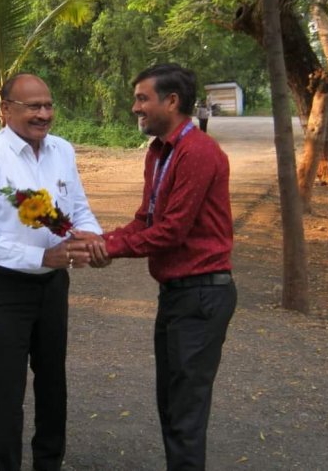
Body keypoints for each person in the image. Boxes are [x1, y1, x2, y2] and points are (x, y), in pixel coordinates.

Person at [84, 63, 237, 470]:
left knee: (185, 412)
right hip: (176, 296)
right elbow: (146, 219)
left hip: (202, 295)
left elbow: (171, 232)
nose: (135, 107)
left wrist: (109, 251)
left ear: (171, 101)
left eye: (142, 98)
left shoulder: (198, 151)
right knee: (170, 403)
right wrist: (101, 241)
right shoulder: (158, 152)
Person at [0, 73, 101, 471]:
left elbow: (78, 208)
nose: (44, 114)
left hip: (53, 288)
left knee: (52, 381)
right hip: (4, 290)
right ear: (6, 110)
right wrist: (41, 258)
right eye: (33, 107)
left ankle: (48, 462)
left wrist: (92, 235)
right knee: (8, 390)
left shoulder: (62, 151)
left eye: (48, 105)